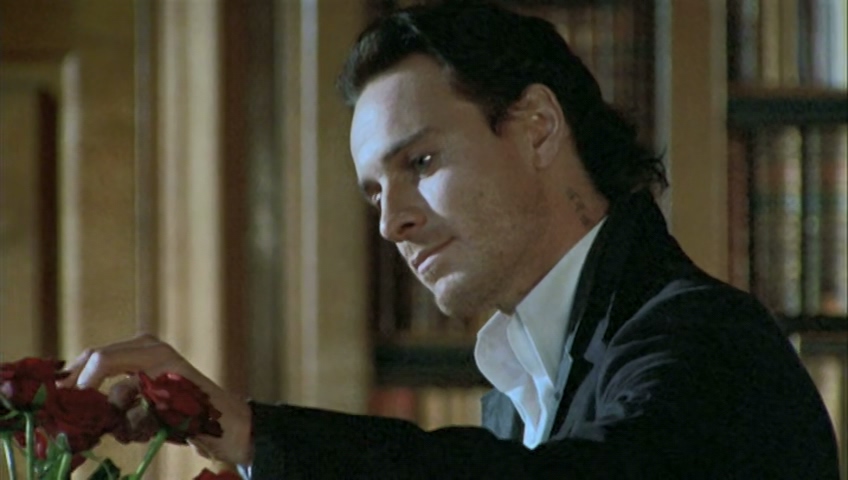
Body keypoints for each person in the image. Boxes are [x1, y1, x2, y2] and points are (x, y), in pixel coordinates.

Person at [59, 1, 840, 478]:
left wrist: (253, 432)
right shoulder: (515, 398)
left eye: (421, 163)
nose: (390, 222)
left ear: (537, 127)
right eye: (374, 191)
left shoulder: (708, 344)